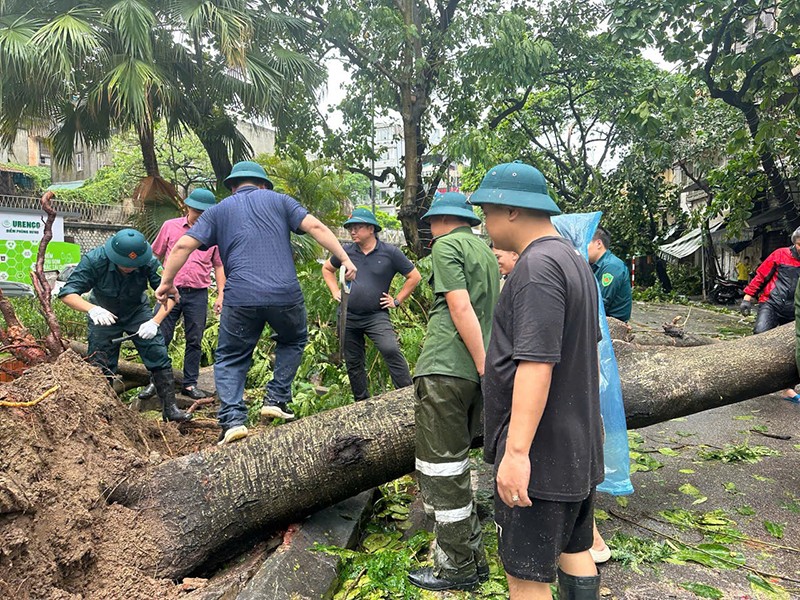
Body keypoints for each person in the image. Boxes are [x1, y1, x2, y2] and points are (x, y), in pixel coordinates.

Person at [471, 161, 603, 600]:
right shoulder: (572, 258)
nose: (485, 224)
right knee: (574, 549)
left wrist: (516, 454)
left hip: (542, 457)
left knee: (526, 579)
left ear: (511, 210)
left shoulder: (536, 267)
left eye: (487, 212)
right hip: (577, 447)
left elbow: (536, 364)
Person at [155, 161, 357, 446]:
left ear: (233, 186)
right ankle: (276, 397)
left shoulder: (218, 211)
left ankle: (233, 419)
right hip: (285, 295)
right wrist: (345, 259)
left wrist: (166, 282)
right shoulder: (280, 201)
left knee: (231, 357)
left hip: (240, 298)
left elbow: (181, 246)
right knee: (293, 339)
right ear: (262, 184)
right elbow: (314, 225)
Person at [407, 192, 499, 592]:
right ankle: (473, 559)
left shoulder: (447, 246)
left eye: (431, 223)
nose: (429, 230)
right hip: (471, 377)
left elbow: (460, 308)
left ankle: (456, 568)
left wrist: (480, 364)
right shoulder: (485, 252)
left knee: (440, 471)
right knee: (458, 466)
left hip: (446, 369)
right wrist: (485, 370)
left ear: (442, 220)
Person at [58, 229, 191, 423]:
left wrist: (155, 321)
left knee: (157, 352)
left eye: (133, 265)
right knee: (100, 362)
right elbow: (67, 293)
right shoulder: (94, 260)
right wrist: (92, 309)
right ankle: (102, 413)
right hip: (103, 313)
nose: (129, 268)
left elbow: (171, 295)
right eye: (124, 264)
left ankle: (170, 409)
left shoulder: (149, 261)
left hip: (137, 312)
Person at [321, 207, 421, 401]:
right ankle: (362, 402)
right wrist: (334, 291)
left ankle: (408, 396)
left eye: (357, 227)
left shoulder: (389, 252)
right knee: (353, 361)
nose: (352, 232)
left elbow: (414, 276)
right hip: (348, 315)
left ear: (371, 229)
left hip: (376, 315)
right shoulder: (345, 253)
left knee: (390, 349)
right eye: (351, 228)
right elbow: (327, 269)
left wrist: (397, 300)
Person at [137, 188, 226, 402]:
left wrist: (222, 295)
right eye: (196, 211)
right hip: (170, 292)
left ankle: (190, 384)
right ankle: (154, 381)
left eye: (204, 213)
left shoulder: (214, 234)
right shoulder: (171, 226)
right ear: (188, 208)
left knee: (194, 339)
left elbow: (219, 265)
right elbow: (154, 256)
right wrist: (157, 282)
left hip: (198, 293)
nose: (199, 216)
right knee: (160, 336)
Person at [740, 228, 800, 403]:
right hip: (771, 304)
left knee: (793, 351)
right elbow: (761, 275)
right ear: (794, 243)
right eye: (799, 244)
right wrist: (747, 298)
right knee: (760, 334)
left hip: (794, 310)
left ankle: (788, 388)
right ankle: (753, 376)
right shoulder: (780, 254)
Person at [586, 225, 632, 322]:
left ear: (598, 243)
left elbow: (600, 304)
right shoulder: (595, 265)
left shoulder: (612, 267)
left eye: (585, 244)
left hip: (611, 324)